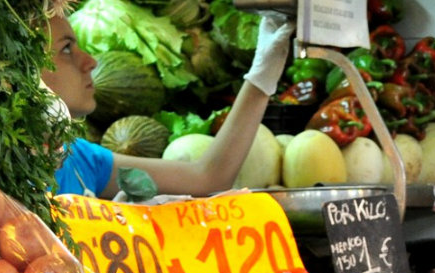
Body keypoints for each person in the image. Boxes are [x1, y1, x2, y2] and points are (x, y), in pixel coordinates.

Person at [41, 10, 294, 199]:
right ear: (26, 70)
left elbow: (208, 178)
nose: (90, 62)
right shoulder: (15, 174)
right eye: (66, 49)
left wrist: (262, 76)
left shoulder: (80, 159)